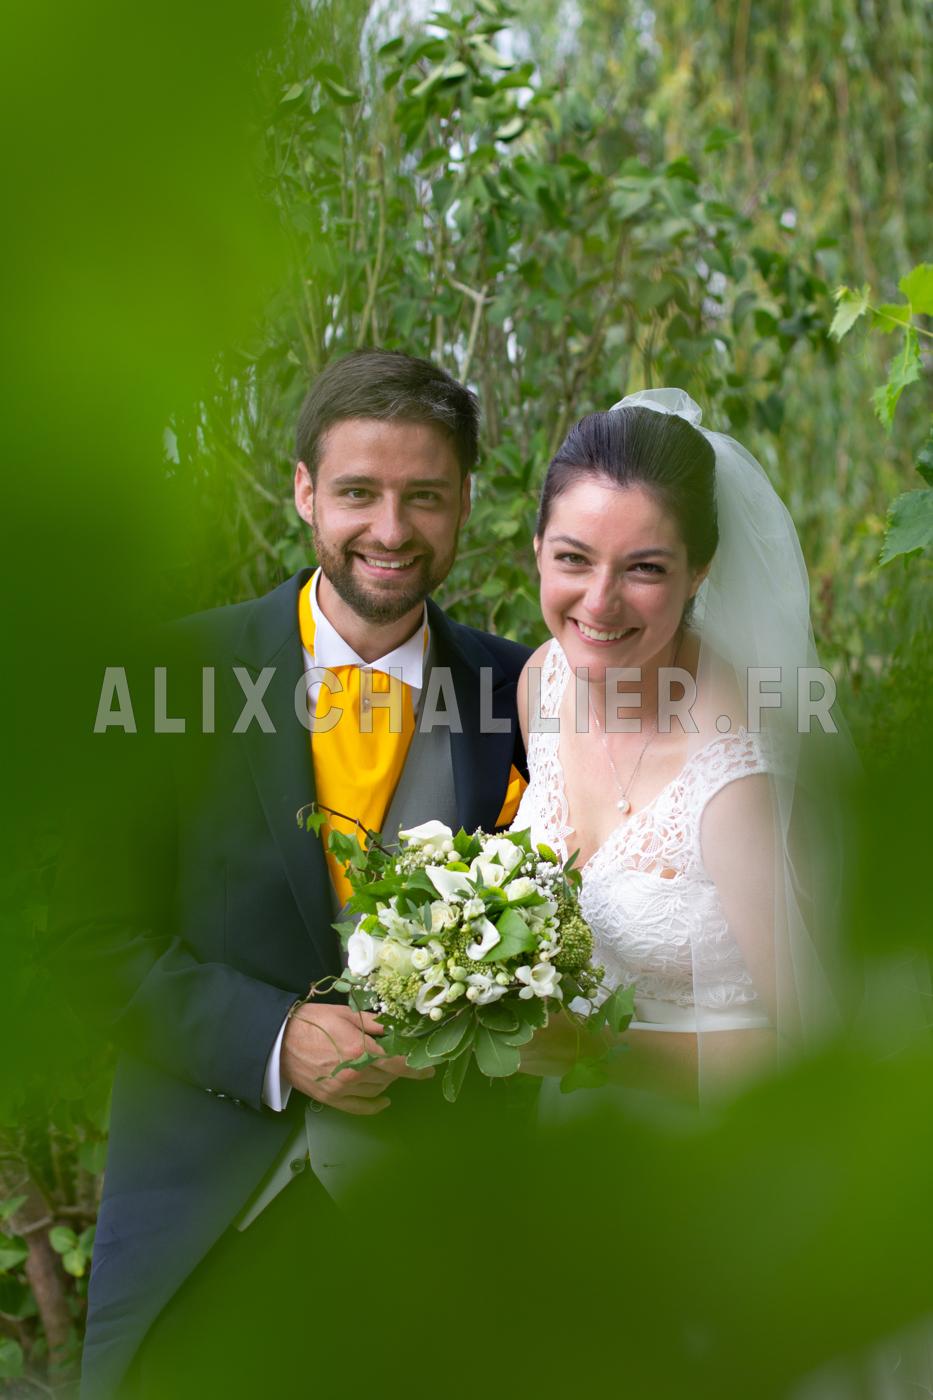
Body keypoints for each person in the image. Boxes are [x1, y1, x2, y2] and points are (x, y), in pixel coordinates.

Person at [53, 349, 530, 1397]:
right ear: (306, 490)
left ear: (464, 503)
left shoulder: (525, 691)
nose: (391, 529)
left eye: (424, 496)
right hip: (201, 1230)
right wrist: (273, 1037)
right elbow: (88, 936)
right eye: (359, 492)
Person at [513, 388, 842, 1105]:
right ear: (537, 549)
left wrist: (590, 1047)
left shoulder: (735, 778)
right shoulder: (542, 681)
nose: (599, 602)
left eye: (645, 569)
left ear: (699, 570)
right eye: (573, 558)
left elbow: (813, 1054)